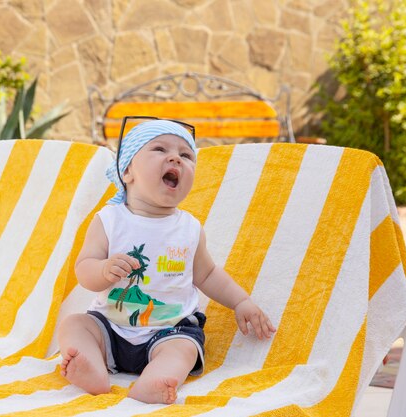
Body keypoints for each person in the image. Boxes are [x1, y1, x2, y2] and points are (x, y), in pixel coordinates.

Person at [57, 119, 276, 404]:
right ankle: (92, 366)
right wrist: (103, 269)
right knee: (73, 324)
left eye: (186, 155)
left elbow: (207, 274)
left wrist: (241, 301)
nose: (175, 157)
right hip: (109, 327)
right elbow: (84, 269)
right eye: (159, 149)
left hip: (170, 330)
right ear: (127, 171)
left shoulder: (189, 228)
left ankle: (156, 379)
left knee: (185, 347)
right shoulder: (109, 220)